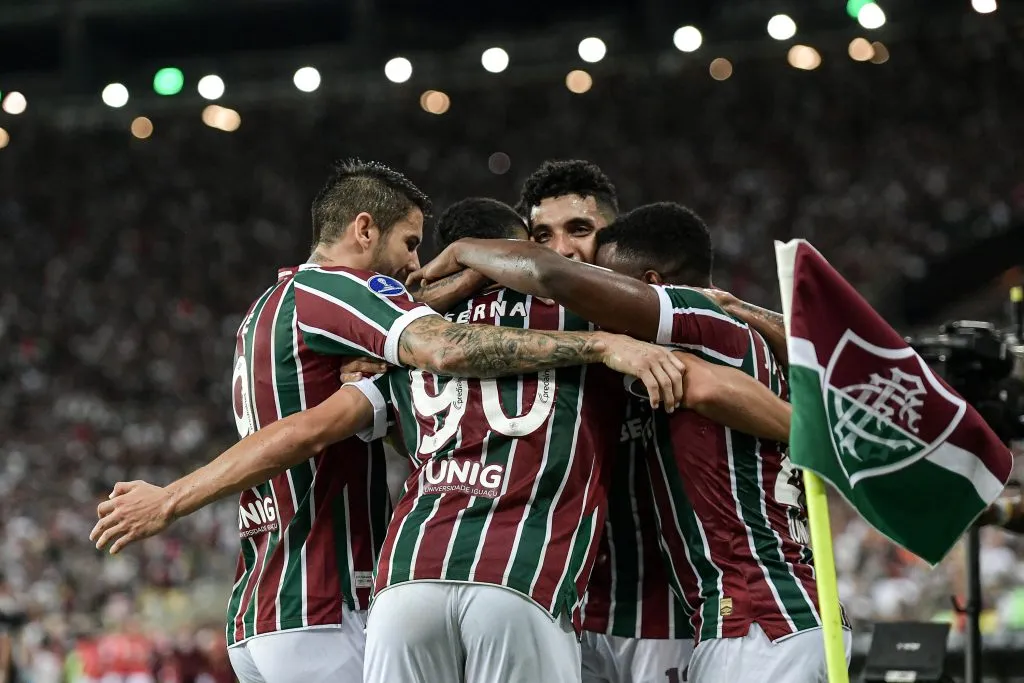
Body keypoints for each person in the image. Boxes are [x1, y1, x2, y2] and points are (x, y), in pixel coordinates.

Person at [90, 161, 687, 683]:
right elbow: (422, 360)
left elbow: (375, 422)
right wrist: (603, 346)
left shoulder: (266, 312)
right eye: (408, 243)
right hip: (335, 604)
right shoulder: (347, 298)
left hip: (288, 604)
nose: (414, 266)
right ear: (364, 230)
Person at [412, 201, 852, 683]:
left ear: (652, 287)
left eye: (614, 284)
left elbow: (695, 378)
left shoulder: (695, 322)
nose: (605, 306)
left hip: (757, 617)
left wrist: (463, 254)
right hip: (758, 613)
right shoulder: (739, 334)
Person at [513, 161, 697, 683]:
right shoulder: (534, 343)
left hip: (666, 616)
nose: (563, 250)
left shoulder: (670, 324)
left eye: (580, 230)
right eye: (542, 236)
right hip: (570, 614)